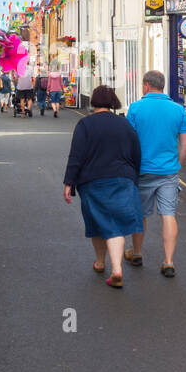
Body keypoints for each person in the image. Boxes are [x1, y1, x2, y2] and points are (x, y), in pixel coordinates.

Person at [63, 86, 142, 288]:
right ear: (113, 102)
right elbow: (136, 154)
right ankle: (109, 265)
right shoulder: (125, 125)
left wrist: (69, 182)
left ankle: (106, 264)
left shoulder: (85, 124)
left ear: (94, 102)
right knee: (116, 223)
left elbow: (76, 155)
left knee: (98, 222)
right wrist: (134, 178)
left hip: (92, 181)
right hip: (123, 179)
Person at [125, 70, 186, 278]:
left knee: (140, 214)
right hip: (168, 172)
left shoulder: (135, 109)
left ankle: (136, 253)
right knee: (168, 214)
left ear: (146, 85)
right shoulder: (178, 110)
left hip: (142, 170)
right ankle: (169, 261)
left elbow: (128, 142)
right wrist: (177, 165)